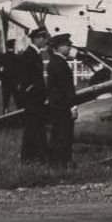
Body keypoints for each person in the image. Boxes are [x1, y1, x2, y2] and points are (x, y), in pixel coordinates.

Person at [44, 33, 77, 166]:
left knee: (57, 133)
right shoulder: (61, 63)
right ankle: (62, 161)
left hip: (56, 104)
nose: (69, 48)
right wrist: (72, 106)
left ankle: (55, 161)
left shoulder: (54, 62)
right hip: (63, 106)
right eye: (67, 45)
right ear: (59, 47)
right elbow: (67, 88)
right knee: (64, 134)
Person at [17, 29, 50, 162]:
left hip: (35, 97)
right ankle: (37, 155)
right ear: (35, 39)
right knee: (35, 127)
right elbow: (25, 77)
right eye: (42, 38)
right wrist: (30, 91)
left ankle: (31, 155)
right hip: (33, 98)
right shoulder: (30, 55)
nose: (44, 40)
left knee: (34, 127)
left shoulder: (34, 54)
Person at [0, 39, 20, 112]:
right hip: (15, 82)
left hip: (5, 81)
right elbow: (20, 70)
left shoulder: (2, 57)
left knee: (5, 100)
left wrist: (0, 78)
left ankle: (5, 113)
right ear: (14, 46)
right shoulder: (17, 57)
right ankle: (19, 114)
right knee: (18, 100)